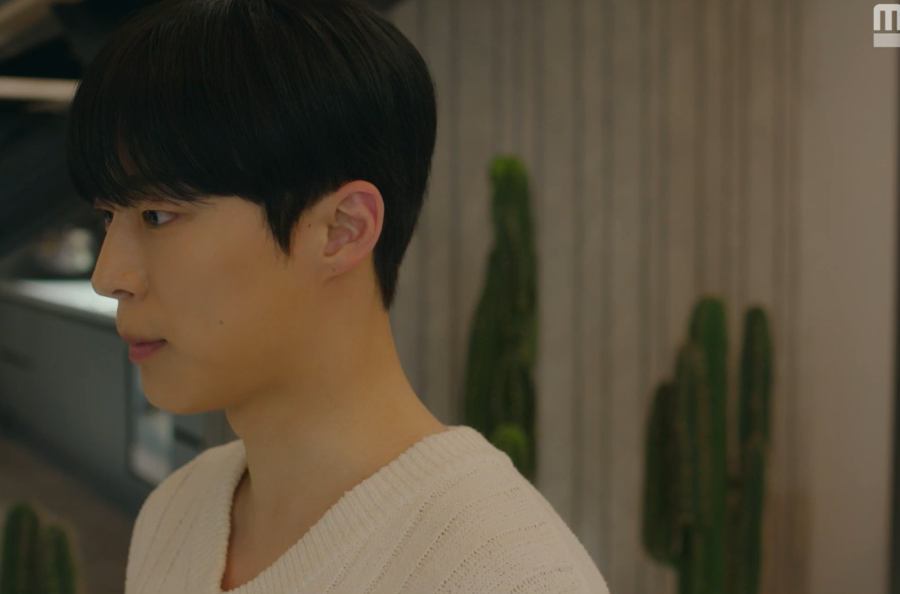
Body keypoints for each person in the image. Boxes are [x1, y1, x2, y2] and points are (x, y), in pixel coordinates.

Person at [67, 0, 610, 592]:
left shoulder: (503, 575)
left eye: (157, 215)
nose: (108, 275)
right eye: (108, 216)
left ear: (342, 230)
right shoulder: (176, 511)